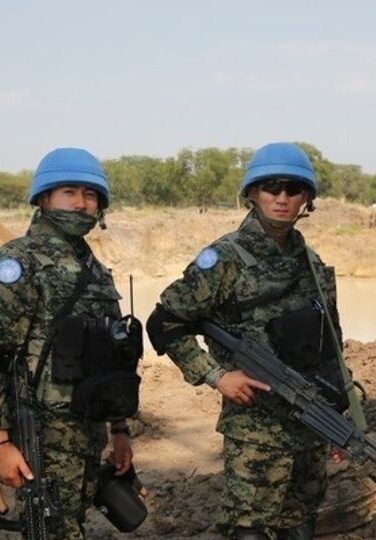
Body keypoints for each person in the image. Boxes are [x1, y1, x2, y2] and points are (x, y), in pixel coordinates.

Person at [148, 142, 346, 539]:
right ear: (253, 193)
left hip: (308, 419)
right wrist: (217, 375)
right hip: (257, 426)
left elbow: (331, 345)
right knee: (249, 528)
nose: (283, 198)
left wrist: (339, 415)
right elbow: (164, 323)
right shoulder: (224, 259)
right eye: (272, 187)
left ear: (306, 198)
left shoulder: (311, 262)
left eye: (294, 189)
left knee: (300, 522)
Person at [0, 147, 141, 539]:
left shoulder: (95, 270)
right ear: (44, 198)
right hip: (40, 436)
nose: (81, 204)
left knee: (72, 524)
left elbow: (112, 357)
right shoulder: (16, 264)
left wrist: (119, 429)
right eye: (69, 192)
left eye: (90, 196)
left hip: (88, 430)